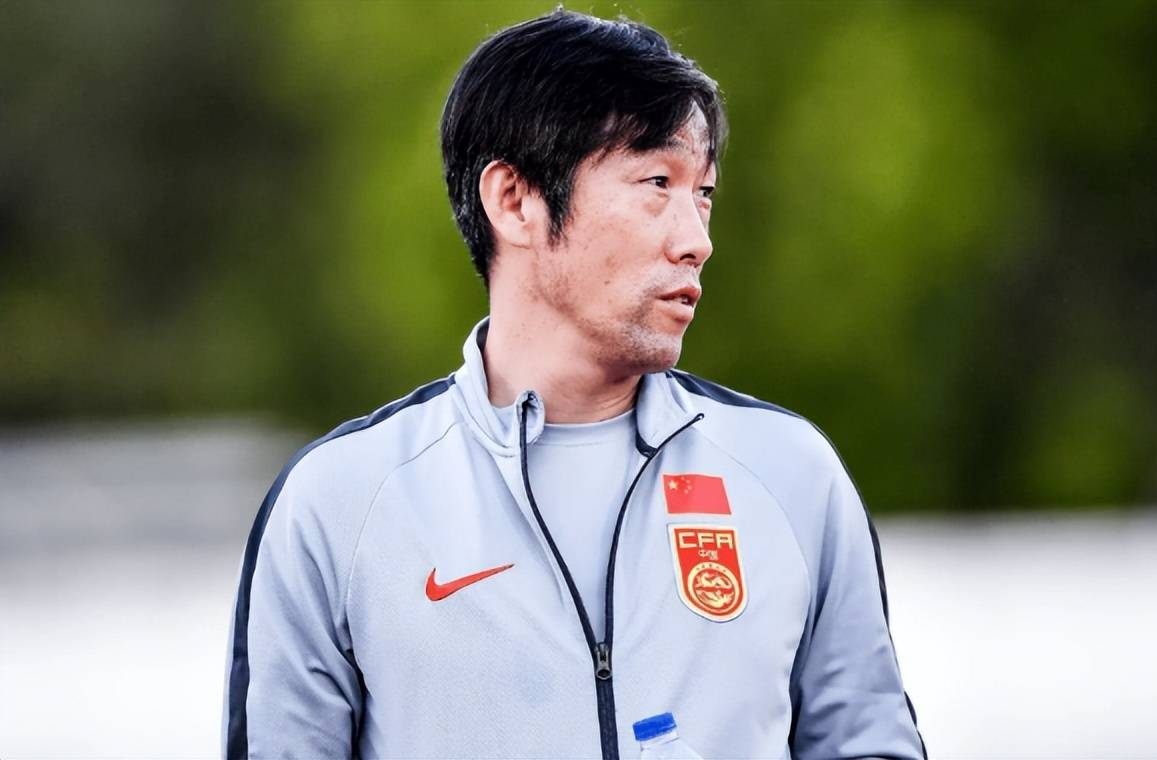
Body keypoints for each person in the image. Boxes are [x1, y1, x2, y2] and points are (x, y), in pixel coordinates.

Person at [222, 9, 926, 760]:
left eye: (704, 193)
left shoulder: (791, 474)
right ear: (514, 200)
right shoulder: (339, 502)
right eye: (657, 182)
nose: (698, 240)